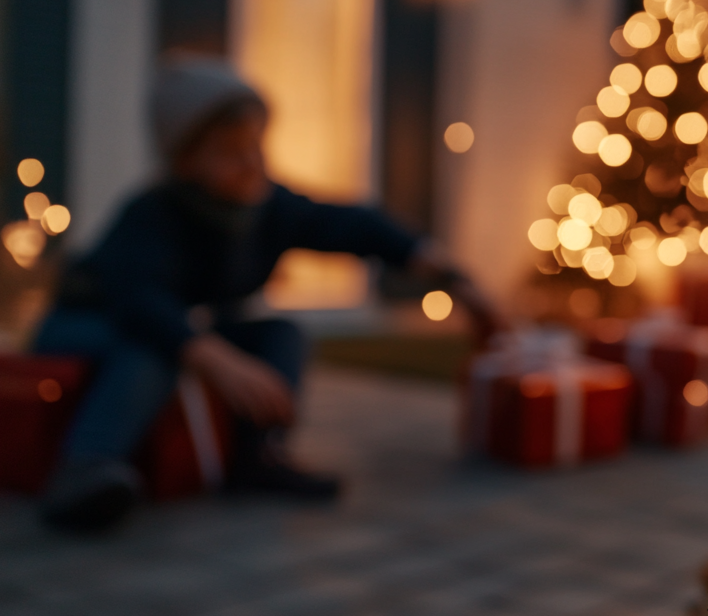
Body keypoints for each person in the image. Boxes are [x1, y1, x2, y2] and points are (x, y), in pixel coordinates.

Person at [34, 57, 497, 532]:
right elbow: (139, 302)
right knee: (154, 346)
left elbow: (351, 224)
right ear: (185, 161)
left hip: (175, 331)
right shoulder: (152, 213)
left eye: (257, 146)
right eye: (231, 151)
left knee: (279, 335)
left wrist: (449, 274)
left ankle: (257, 457)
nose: (252, 163)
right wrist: (213, 355)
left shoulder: (266, 208)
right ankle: (84, 469)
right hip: (87, 325)